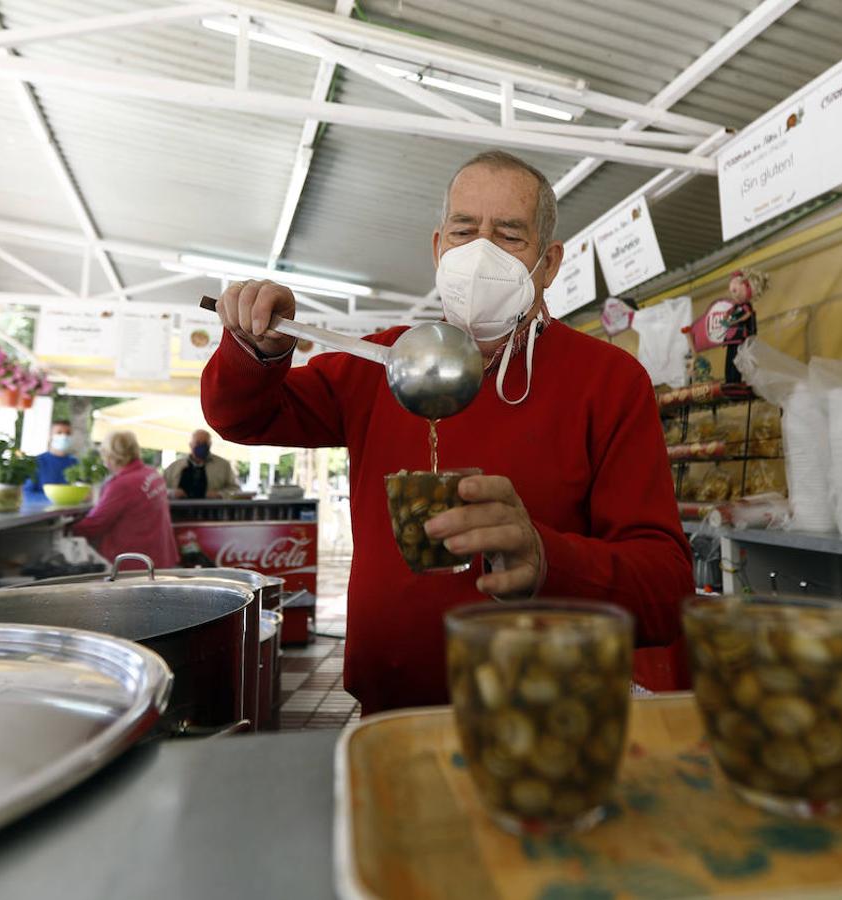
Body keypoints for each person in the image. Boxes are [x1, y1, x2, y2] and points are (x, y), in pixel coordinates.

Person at [201, 149, 693, 713]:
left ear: (549, 263)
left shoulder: (608, 381)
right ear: (438, 248)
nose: (481, 252)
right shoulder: (381, 360)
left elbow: (666, 587)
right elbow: (242, 416)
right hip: (391, 704)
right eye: (464, 231)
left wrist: (547, 559)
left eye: (509, 236)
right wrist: (257, 346)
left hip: (552, 713)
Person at [71, 430, 178, 568]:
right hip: (161, 557)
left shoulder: (123, 484)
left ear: (110, 455)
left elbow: (96, 523)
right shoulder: (152, 474)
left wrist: (68, 529)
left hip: (134, 563)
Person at [164, 429, 239, 499]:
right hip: (179, 512)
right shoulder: (174, 467)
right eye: (198, 443)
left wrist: (219, 494)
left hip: (212, 511)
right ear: (190, 444)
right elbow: (159, 489)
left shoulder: (223, 466)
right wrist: (172, 493)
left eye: (205, 443)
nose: (201, 446)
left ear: (210, 445)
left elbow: (235, 490)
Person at [26, 419, 78, 496]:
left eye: (68, 433)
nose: (64, 436)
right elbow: (27, 492)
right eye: (59, 433)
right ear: (50, 435)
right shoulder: (36, 462)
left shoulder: (75, 463)